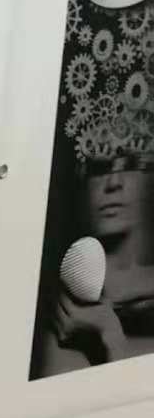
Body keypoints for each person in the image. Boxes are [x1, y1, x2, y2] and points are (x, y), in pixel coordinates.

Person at [38, 156, 154, 375]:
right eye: (99, 168)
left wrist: (112, 338)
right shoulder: (60, 310)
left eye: (129, 164)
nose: (113, 183)